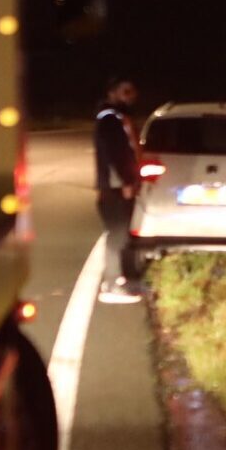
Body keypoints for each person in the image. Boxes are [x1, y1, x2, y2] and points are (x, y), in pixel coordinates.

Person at [94, 78, 143, 304]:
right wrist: (125, 182)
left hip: (118, 187)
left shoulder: (118, 117)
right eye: (125, 92)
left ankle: (126, 279)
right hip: (114, 189)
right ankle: (110, 284)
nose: (130, 97)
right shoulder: (110, 119)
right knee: (117, 235)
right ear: (112, 93)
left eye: (132, 92)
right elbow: (115, 155)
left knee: (123, 235)